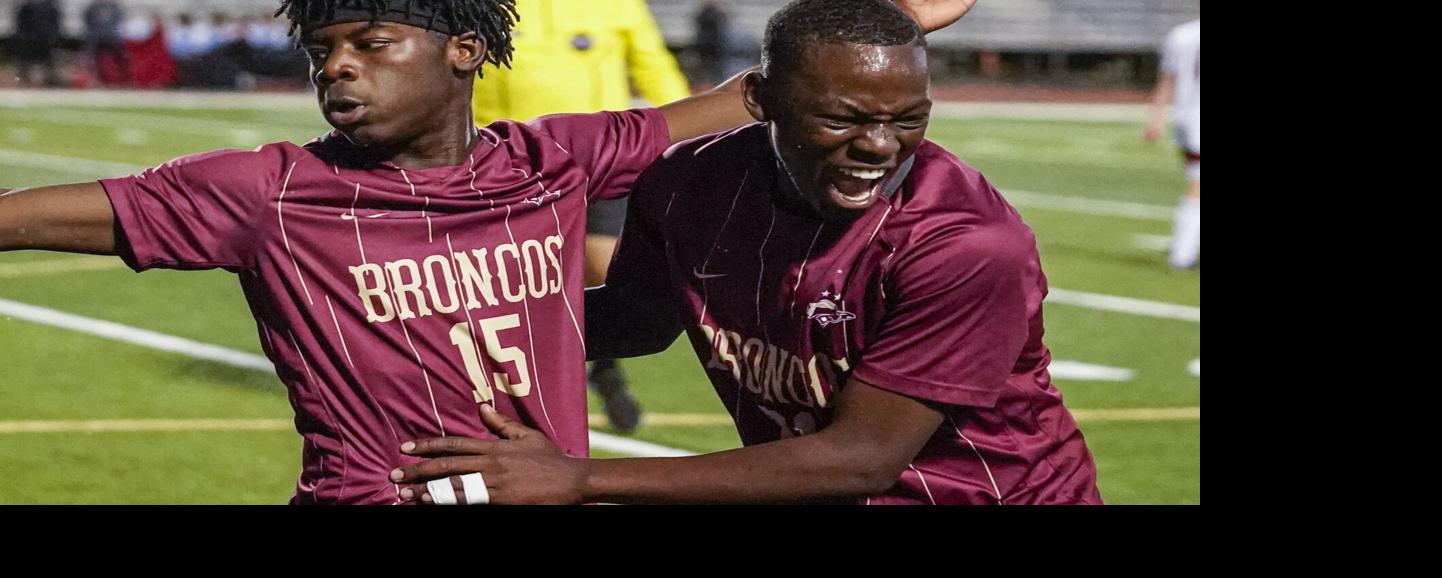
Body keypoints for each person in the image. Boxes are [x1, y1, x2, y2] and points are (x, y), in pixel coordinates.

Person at [0, 0, 971, 506]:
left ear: (463, 50)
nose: (337, 65)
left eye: (372, 42)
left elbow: (745, 98)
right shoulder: (267, 191)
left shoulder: (552, 162)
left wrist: (873, 17)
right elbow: (24, 216)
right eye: (322, 51)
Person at [392, 0, 1100, 505]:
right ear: (760, 101)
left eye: (906, 118)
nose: (880, 146)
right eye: (842, 118)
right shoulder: (688, 181)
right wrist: (438, 335)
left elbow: (860, 459)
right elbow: (637, 318)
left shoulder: (966, 244)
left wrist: (581, 478)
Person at [472, 0, 694, 434]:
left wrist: (692, 131)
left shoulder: (617, 6)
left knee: (605, 267)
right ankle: (499, 385)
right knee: (506, 284)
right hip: (504, 164)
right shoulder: (487, 6)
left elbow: (653, 66)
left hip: (600, 159)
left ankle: (601, 364)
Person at [1143, 13, 1199, 270]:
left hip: (1186, 118)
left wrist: (1156, 118)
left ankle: (1183, 249)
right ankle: (1183, 252)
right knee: (1197, 186)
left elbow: (1167, 80)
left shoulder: (1181, 34)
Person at [13, 0, 64, 87]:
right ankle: (22, 83)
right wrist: (23, 38)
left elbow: (56, 24)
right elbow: (20, 25)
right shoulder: (26, 7)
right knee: (25, 64)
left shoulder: (51, 7)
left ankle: (53, 83)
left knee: (49, 64)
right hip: (30, 41)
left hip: (46, 40)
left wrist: (53, 38)